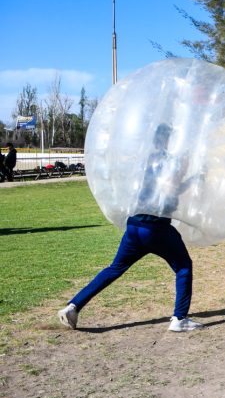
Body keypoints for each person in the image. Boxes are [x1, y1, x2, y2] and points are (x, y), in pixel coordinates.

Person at [58, 124, 203, 332]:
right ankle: (179, 318)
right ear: (166, 140)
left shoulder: (146, 161)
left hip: (135, 226)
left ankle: (73, 306)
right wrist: (191, 177)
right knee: (183, 267)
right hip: (156, 228)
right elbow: (170, 188)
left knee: (115, 268)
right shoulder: (168, 160)